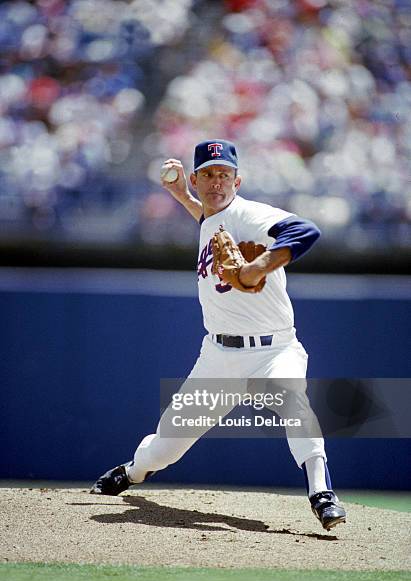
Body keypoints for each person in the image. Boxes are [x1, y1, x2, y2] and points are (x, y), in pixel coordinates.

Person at [90, 139, 346, 531]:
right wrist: (181, 197)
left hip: (274, 349)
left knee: (293, 402)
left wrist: (257, 266)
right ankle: (132, 471)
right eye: (208, 174)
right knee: (164, 448)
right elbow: (207, 218)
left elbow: (305, 231)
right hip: (219, 358)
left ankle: (322, 494)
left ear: (237, 181)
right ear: (196, 179)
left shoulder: (252, 215)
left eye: (224, 175)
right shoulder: (211, 219)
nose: (217, 182)